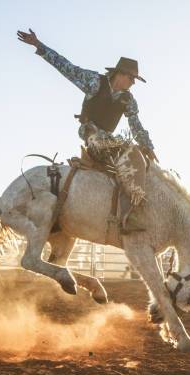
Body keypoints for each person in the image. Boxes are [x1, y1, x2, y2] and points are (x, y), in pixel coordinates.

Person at [17, 28, 157, 232]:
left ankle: (129, 209)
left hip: (109, 139)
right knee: (116, 145)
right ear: (121, 74)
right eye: (132, 78)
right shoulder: (94, 82)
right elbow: (66, 67)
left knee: (134, 158)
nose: (134, 82)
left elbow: (136, 125)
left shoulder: (128, 99)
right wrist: (39, 46)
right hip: (90, 132)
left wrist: (147, 146)